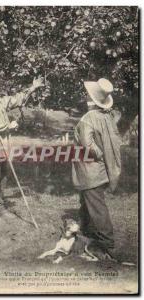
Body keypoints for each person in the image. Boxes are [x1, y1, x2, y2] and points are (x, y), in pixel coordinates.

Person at [0, 73, 44, 212]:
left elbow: (15, 99)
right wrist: (9, 126)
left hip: (2, 146)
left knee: (4, 176)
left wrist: (32, 88)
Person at [72, 78, 121, 260]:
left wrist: (98, 154)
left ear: (90, 99)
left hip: (90, 171)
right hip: (100, 171)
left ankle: (108, 245)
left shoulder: (87, 119)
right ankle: (85, 234)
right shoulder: (106, 116)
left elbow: (88, 144)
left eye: (87, 94)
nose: (85, 95)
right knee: (87, 203)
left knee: (97, 208)